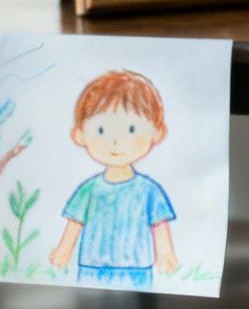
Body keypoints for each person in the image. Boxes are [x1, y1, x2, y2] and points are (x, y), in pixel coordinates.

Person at [48, 69, 179, 288]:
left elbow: (159, 224)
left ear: (157, 132)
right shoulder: (88, 190)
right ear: (80, 134)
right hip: (92, 269)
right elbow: (75, 222)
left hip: (137, 270)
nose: (116, 141)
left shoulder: (149, 190)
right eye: (101, 129)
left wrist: (165, 255)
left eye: (130, 129)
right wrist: (64, 250)